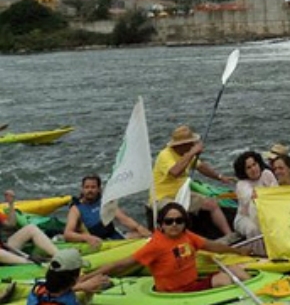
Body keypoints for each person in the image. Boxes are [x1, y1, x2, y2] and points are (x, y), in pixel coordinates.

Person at [88, 202, 251, 293]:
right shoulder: (155, 245)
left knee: (235, 269)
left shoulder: (187, 235)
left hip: (193, 286)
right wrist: (88, 277)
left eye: (179, 221)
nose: (174, 225)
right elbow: (122, 264)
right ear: (161, 225)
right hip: (175, 295)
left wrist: (238, 251)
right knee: (223, 280)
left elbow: (213, 246)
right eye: (169, 221)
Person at [152, 125, 234, 237]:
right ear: (181, 145)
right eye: (190, 144)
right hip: (163, 197)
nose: (192, 145)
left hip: (182, 194)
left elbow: (201, 167)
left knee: (211, 204)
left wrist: (219, 177)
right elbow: (175, 172)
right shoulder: (165, 155)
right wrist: (192, 153)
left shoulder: (186, 155)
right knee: (175, 214)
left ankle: (229, 235)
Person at [64, 174, 151, 249]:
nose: (90, 190)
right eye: (87, 187)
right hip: (95, 241)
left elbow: (124, 219)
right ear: (82, 189)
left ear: (99, 189)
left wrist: (140, 228)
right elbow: (68, 234)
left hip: (113, 237)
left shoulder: (105, 202)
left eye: (93, 187)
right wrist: (87, 238)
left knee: (144, 235)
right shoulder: (76, 209)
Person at [26, 248, 110, 305]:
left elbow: (55, 294)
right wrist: (89, 293)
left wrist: (80, 287)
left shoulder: (37, 289)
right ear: (75, 279)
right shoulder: (70, 302)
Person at [0, 189, 60, 264]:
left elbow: (10, 224)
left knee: (31, 229)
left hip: (5, 248)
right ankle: (30, 262)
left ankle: (60, 256)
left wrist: (11, 204)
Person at [233, 151, 278, 239]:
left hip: (268, 214)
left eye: (254, 164)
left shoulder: (267, 174)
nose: (253, 169)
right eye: (249, 168)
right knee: (253, 229)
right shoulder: (241, 184)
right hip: (246, 218)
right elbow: (251, 196)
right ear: (244, 171)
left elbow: (276, 193)